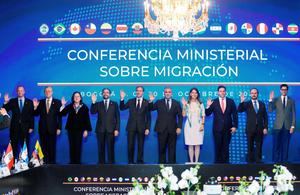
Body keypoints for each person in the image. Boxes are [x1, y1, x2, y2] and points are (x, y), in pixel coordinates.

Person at [148, 87, 182, 164]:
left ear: (171, 93)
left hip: (173, 129)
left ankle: (172, 165)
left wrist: (179, 127)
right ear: (164, 93)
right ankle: (162, 166)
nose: (167, 93)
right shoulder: (159, 102)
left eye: (169, 92)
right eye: (166, 92)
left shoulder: (176, 103)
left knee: (172, 148)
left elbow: (180, 116)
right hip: (161, 129)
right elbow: (150, 109)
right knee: (161, 148)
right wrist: (151, 101)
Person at [205, 85, 238, 163]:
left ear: (225, 92)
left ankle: (226, 166)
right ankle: (217, 165)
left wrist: (235, 126)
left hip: (228, 128)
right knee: (218, 146)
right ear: (218, 92)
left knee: (226, 147)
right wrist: (208, 106)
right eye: (220, 91)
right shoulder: (214, 101)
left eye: (223, 91)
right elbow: (207, 113)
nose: (222, 92)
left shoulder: (231, 101)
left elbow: (235, 114)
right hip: (217, 129)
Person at [120, 86, 151, 164]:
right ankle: (130, 161)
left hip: (142, 127)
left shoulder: (147, 102)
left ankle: (139, 161)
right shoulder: (131, 101)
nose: (138, 92)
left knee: (140, 146)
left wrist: (147, 128)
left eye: (140, 91)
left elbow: (148, 117)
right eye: (137, 90)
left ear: (143, 92)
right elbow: (122, 108)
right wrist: (122, 99)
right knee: (130, 145)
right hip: (131, 127)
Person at [3, 85, 34, 159]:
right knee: (14, 146)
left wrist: (31, 127)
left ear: (24, 92)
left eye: (21, 90)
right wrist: (5, 102)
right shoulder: (12, 101)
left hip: (25, 128)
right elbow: (4, 110)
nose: (20, 92)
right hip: (14, 128)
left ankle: (25, 164)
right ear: (17, 92)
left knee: (25, 146)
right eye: (18, 90)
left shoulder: (29, 102)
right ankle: (13, 164)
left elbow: (31, 115)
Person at [60, 92, 92, 164]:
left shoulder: (84, 107)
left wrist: (86, 130)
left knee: (78, 146)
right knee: (72, 146)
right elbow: (62, 113)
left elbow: (87, 119)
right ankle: (72, 162)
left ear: (80, 98)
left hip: (80, 130)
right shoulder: (70, 106)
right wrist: (63, 105)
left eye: (78, 96)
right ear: (73, 98)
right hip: (70, 129)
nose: (76, 98)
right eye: (75, 96)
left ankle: (77, 163)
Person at [33, 86, 62, 164]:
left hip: (53, 129)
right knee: (43, 147)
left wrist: (59, 128)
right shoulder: (40, 102)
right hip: (42, 129)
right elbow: (35, 114)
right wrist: (35, 107)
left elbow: (59, 116)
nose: (48, 92)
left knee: (52, 147)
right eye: (46, 91)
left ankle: (52, 164)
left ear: (52, 92)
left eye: (49, 91)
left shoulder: (57, 102)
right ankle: (45, 164)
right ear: (44, 92)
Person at [238, 88, 268, 163]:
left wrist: (265, 127)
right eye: (252, 93)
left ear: (257, 94)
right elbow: (239, 110)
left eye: (255, 93)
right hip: (250, 128)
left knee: (259, 145)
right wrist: (241, 102)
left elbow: (265, 117)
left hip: (260, 129)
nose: (254, 94)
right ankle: (250, 161)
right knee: (250, 145)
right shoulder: (246, 104)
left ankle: (258, 160)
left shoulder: (262, 104)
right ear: (250, 94)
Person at [90, 88, 120, 164]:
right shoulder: (98, 104)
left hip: (111, 130)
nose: (105, 93)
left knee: (110, 148)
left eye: (107, 92)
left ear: (110, 94)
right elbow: (92, 112)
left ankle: (111, 163)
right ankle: (101, 164)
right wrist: (93, 102)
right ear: (102, 94)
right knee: (101, 148)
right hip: (100, 129)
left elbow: (117, 117)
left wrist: (117, 129)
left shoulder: (115, 104)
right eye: (104, 92)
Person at [269, 84, 296, 163]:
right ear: (280, 90)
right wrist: (270, 100)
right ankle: (275, 161)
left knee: (285, 145)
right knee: (276, 145)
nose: (284, 91)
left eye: (285, 89)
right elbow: (270, 110)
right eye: (282, 89)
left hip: (287, 126)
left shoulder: (291, 100)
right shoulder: (276, 99)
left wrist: (293, 126)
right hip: (277, 126)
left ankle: (284, 161)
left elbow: (294, 114)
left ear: (287, 91)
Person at [181, 88, 205, 163]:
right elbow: (184, 115)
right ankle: (191, 162)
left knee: (197, 144)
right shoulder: (187, 103)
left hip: (198, 125)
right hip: (189, 126)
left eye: (195, 93)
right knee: (190, 144)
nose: (194, 94)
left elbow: (203, 115)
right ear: (190, 94)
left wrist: (202, 125)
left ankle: (197, 161)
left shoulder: (200, 104)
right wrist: (184, 105)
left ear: (197, 94)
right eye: (192, 92)